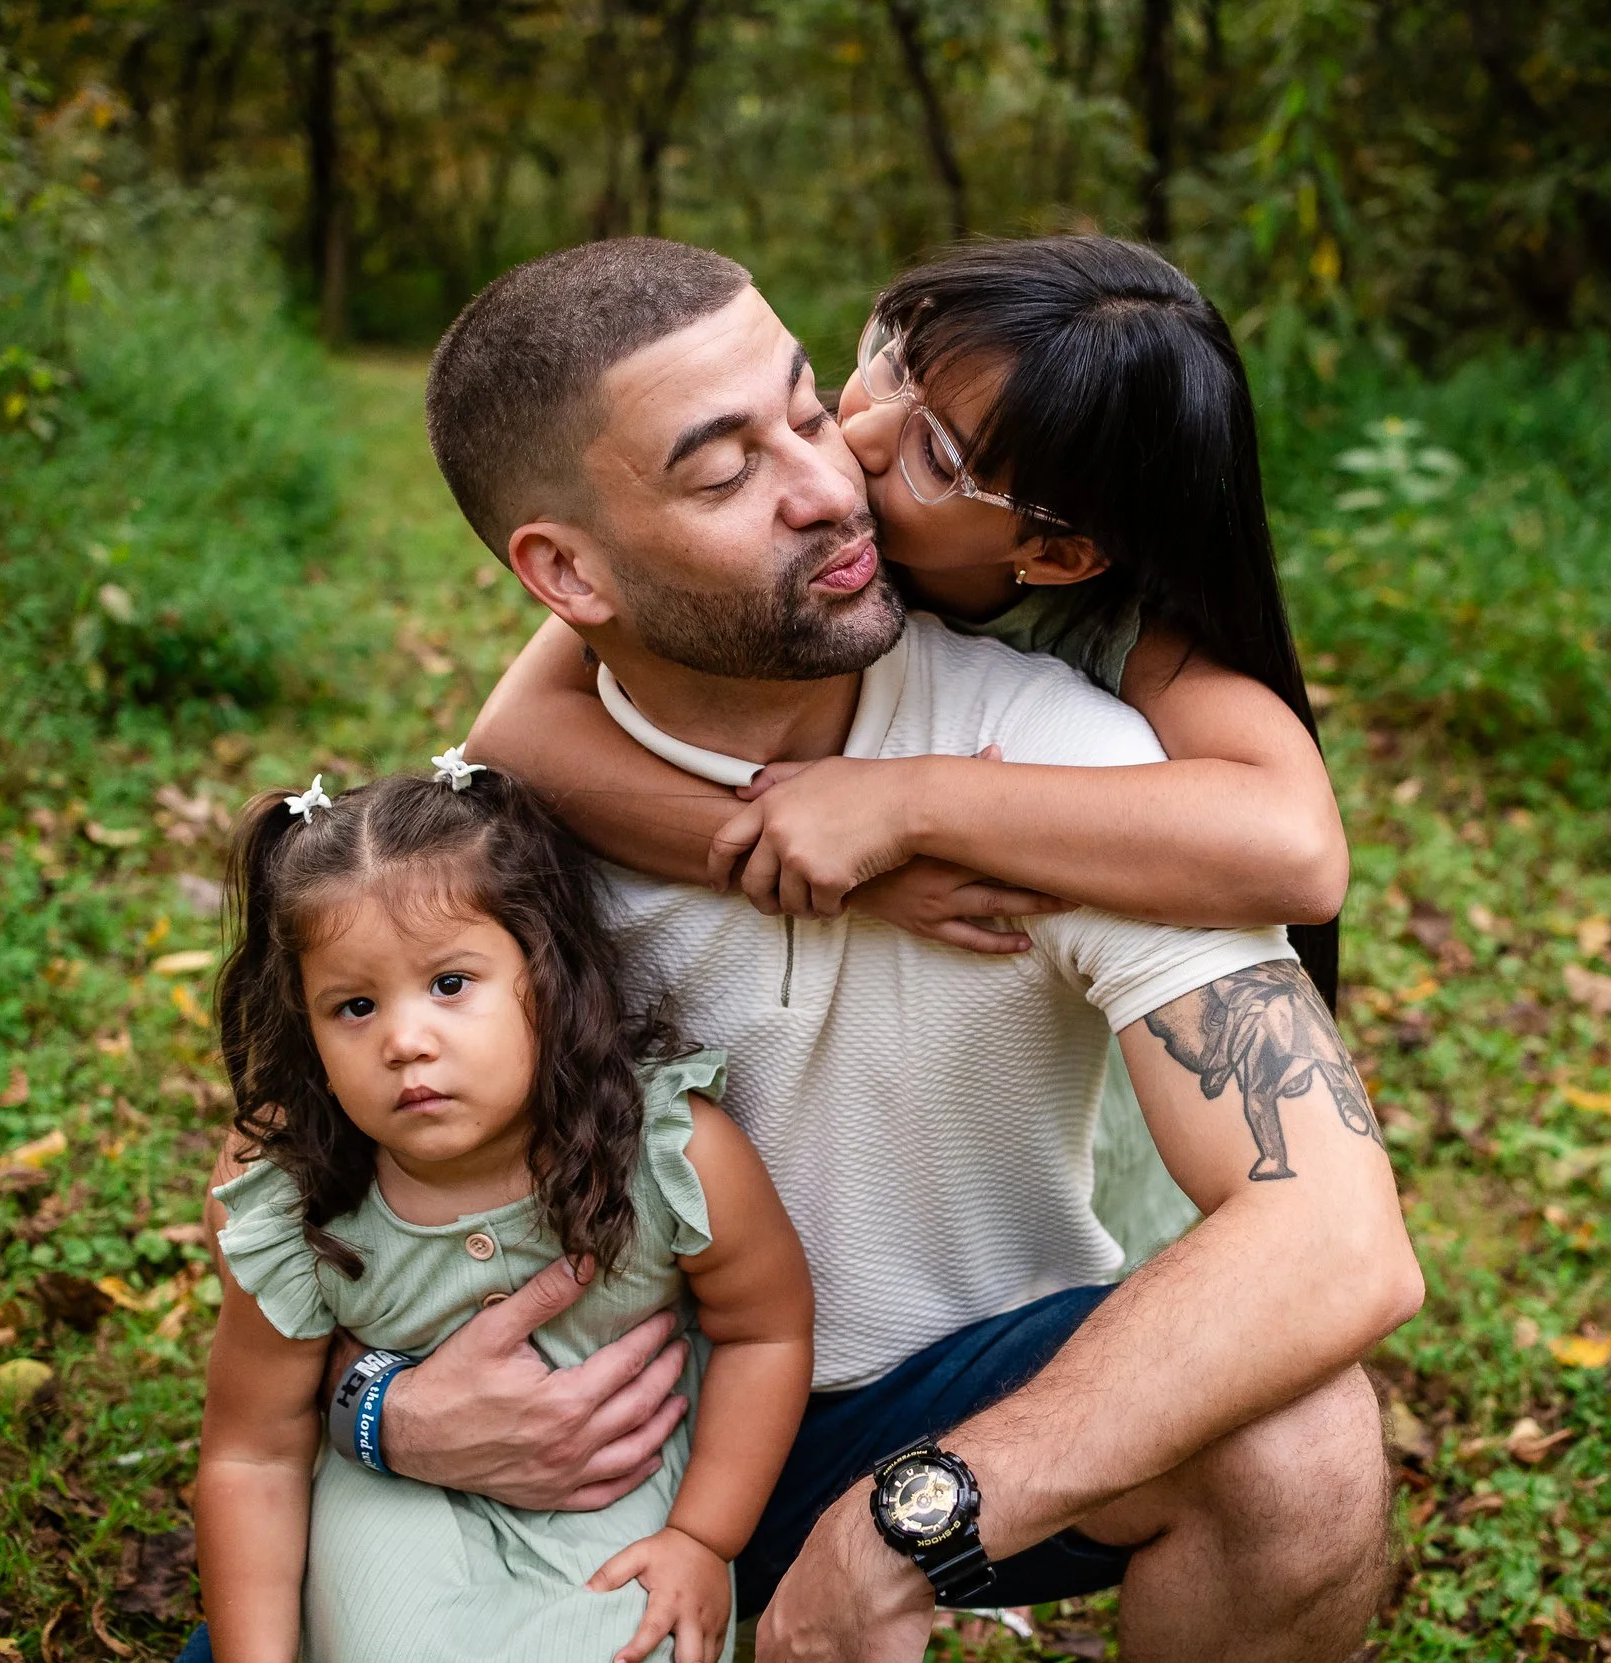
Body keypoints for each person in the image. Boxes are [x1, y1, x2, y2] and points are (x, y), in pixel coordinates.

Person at [473, 232, 1348, 1263]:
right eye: (889, 358)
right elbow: (514, 737)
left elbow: (1296, 848)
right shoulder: (786, 547)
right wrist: (820, 862)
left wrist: (910, 804)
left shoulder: (1125, 639)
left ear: (1058, 554)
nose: (859, 434)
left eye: (936, 453)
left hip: (1094, 1161)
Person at [192, 765, 813, 1663]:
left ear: (546, 972)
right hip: (398, 1503)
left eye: (450, 982)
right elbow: (252, 1454)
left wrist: (704, 1538)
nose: (405, 1040)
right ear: (309, 1031)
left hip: (623, 1491)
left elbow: (767, 1330)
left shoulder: (669, 1153)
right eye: (354, 1006)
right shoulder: (306, 1206)